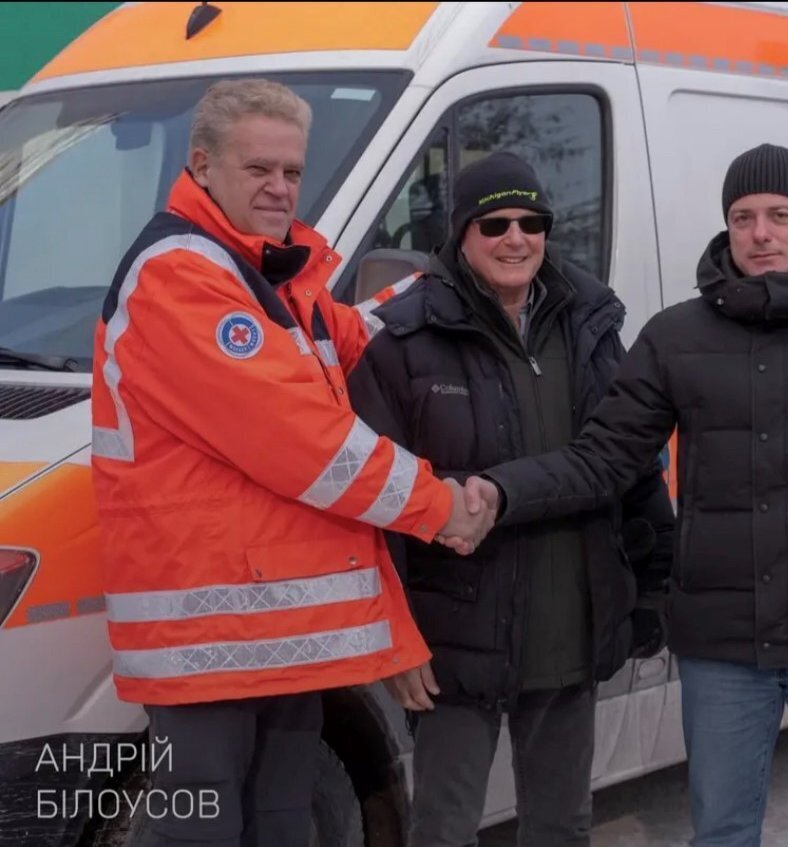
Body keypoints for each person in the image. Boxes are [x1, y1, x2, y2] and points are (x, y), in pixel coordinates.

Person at [466, 143, 788, 847]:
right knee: (721, 831)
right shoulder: (675, 336)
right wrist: (501, 490)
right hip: (722, 648)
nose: (760, 232)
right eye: (742, 215)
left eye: (780, 214)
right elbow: (604, 457)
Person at [89, 78, 493, 847]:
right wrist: (439, 505)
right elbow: (305, 440)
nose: (280, 189)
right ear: (202, 167)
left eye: (292, 172)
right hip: (204, 635)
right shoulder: (183, 274)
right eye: (259, 170)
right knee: (199, 825)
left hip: (272, 626)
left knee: (281, 820)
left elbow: (356, 336)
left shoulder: (264, 272)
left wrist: (457, 284)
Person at [346, 151, 675, 847]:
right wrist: (394, 637)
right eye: (494, 223)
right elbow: (373, 504)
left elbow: (632, 465)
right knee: (442, 829)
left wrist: (651, 590)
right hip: (455, 643)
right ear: (460, 234)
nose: (515, 238)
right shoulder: (404, 340)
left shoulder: (589, 324)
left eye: (532, 221)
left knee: (561, 828)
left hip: (571, 627)